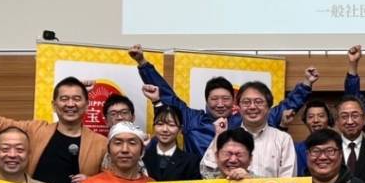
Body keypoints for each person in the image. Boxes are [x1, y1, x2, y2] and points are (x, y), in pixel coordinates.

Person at [129, 44, 318, 156]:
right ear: (206, 101)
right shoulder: (192, 118)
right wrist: (143, 63)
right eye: (214, 99)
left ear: (234, 101)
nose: (220, 104)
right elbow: (168, 96)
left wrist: (306, 84)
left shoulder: (244, 120)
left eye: (225, 99)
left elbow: (281, 109)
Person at [0, 64, 106, 183]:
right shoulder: (35, 130)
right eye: (64, 99)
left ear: (87, 105)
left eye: (76, 99)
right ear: (54, 105)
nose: (70, 104)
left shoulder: (101, 144)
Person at [199, 80, 296, 179]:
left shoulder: (283, 139)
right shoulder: (227, 136)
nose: (252, 107)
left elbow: (288, 182)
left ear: (269, 107)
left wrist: (250, 179)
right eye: (246, 102)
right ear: (238, 107)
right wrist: (218, 136)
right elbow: (207, 174)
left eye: (258, 102)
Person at [142, 105, 202, 183]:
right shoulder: (142, 157)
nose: (165, 129)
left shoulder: (192, 161)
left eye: (171, 125)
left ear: (180, 129)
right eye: (160, 124)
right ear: (154, 127)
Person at [294, 99, 334, 175]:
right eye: (311, 117)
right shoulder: (298, 150)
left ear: (328, 119)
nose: (316, 120)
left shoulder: (339, 146)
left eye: (321, 116)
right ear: (305, 121)